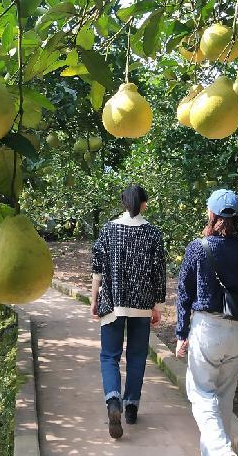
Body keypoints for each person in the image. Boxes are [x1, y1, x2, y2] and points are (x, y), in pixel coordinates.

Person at [175, 189, 238, 456]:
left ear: (211, 213)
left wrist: (181, 333)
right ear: (237, 217)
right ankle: (216, 450)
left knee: (202, 394)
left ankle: (220, 451)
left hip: (207, 330)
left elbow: (184, 293)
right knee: (224, 396)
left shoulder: (197, 247)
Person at [91, 184, 166, 439]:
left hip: (113, 303)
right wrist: (156, 305)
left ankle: (114, 401)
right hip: (142, 305)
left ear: (124, 203)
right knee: (136, 356)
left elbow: (97, 271)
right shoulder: (154, 234)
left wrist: (94, 300)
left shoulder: (108, 230)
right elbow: (158, 273)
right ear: (143, 204)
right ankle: (132, 406)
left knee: (109, 356)